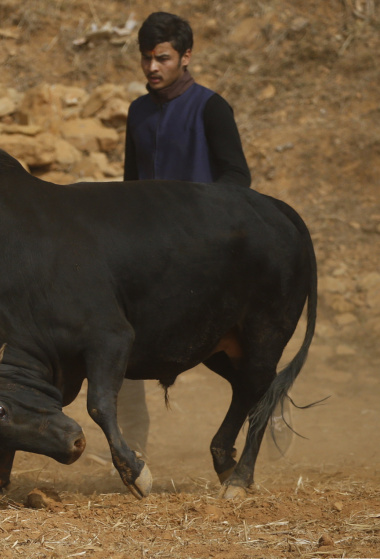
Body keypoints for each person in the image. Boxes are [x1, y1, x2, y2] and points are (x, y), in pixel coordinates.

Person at [118, 11, 258, 457]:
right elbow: (128, 186)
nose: (152, 68)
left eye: (162, 58)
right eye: (146, 59)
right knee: (117, 347)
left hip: (204, 254)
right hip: (146, 257)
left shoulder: (211, 107)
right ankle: (129, 450)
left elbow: (237, 175)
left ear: (186, 56)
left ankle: (266, 423)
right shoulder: (137, 113)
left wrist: (198, 219)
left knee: (249, 358)